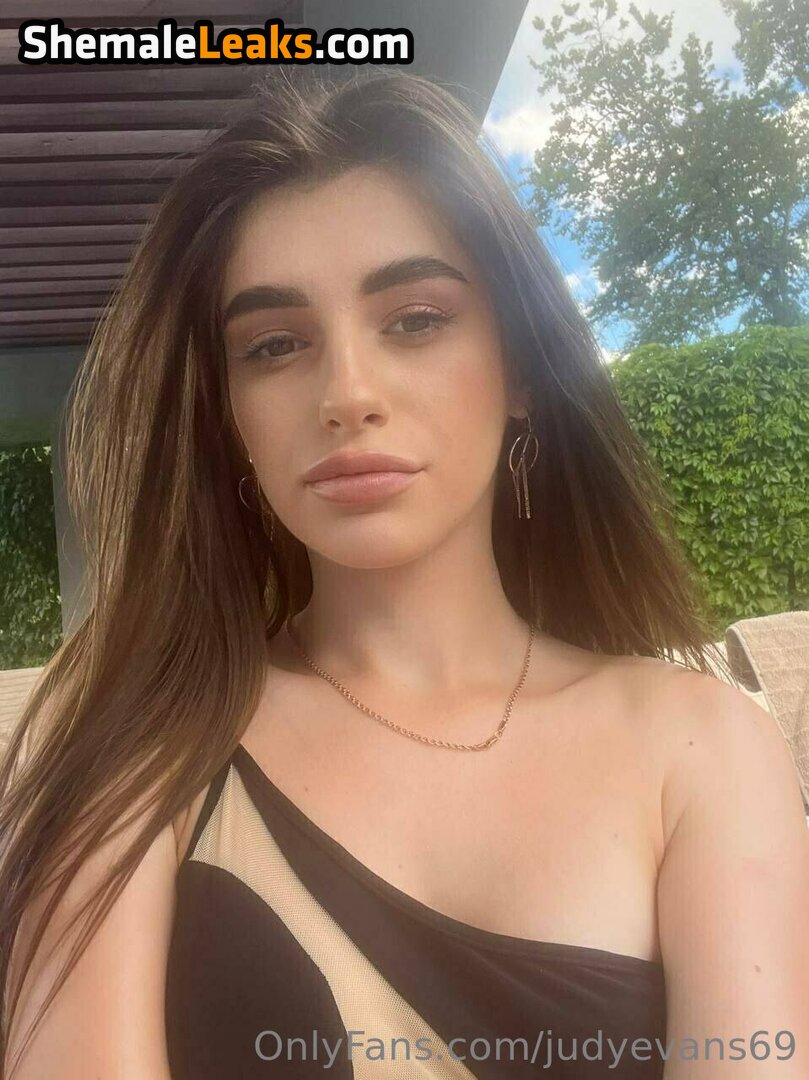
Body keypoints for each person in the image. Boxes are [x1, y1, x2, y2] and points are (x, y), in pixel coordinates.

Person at [1, 68, 807, 1080]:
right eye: (275, 345)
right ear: (228, 415)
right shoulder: (137, 726)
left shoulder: (701, 745)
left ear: (520, 368)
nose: (346, 392)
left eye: (415, 319)